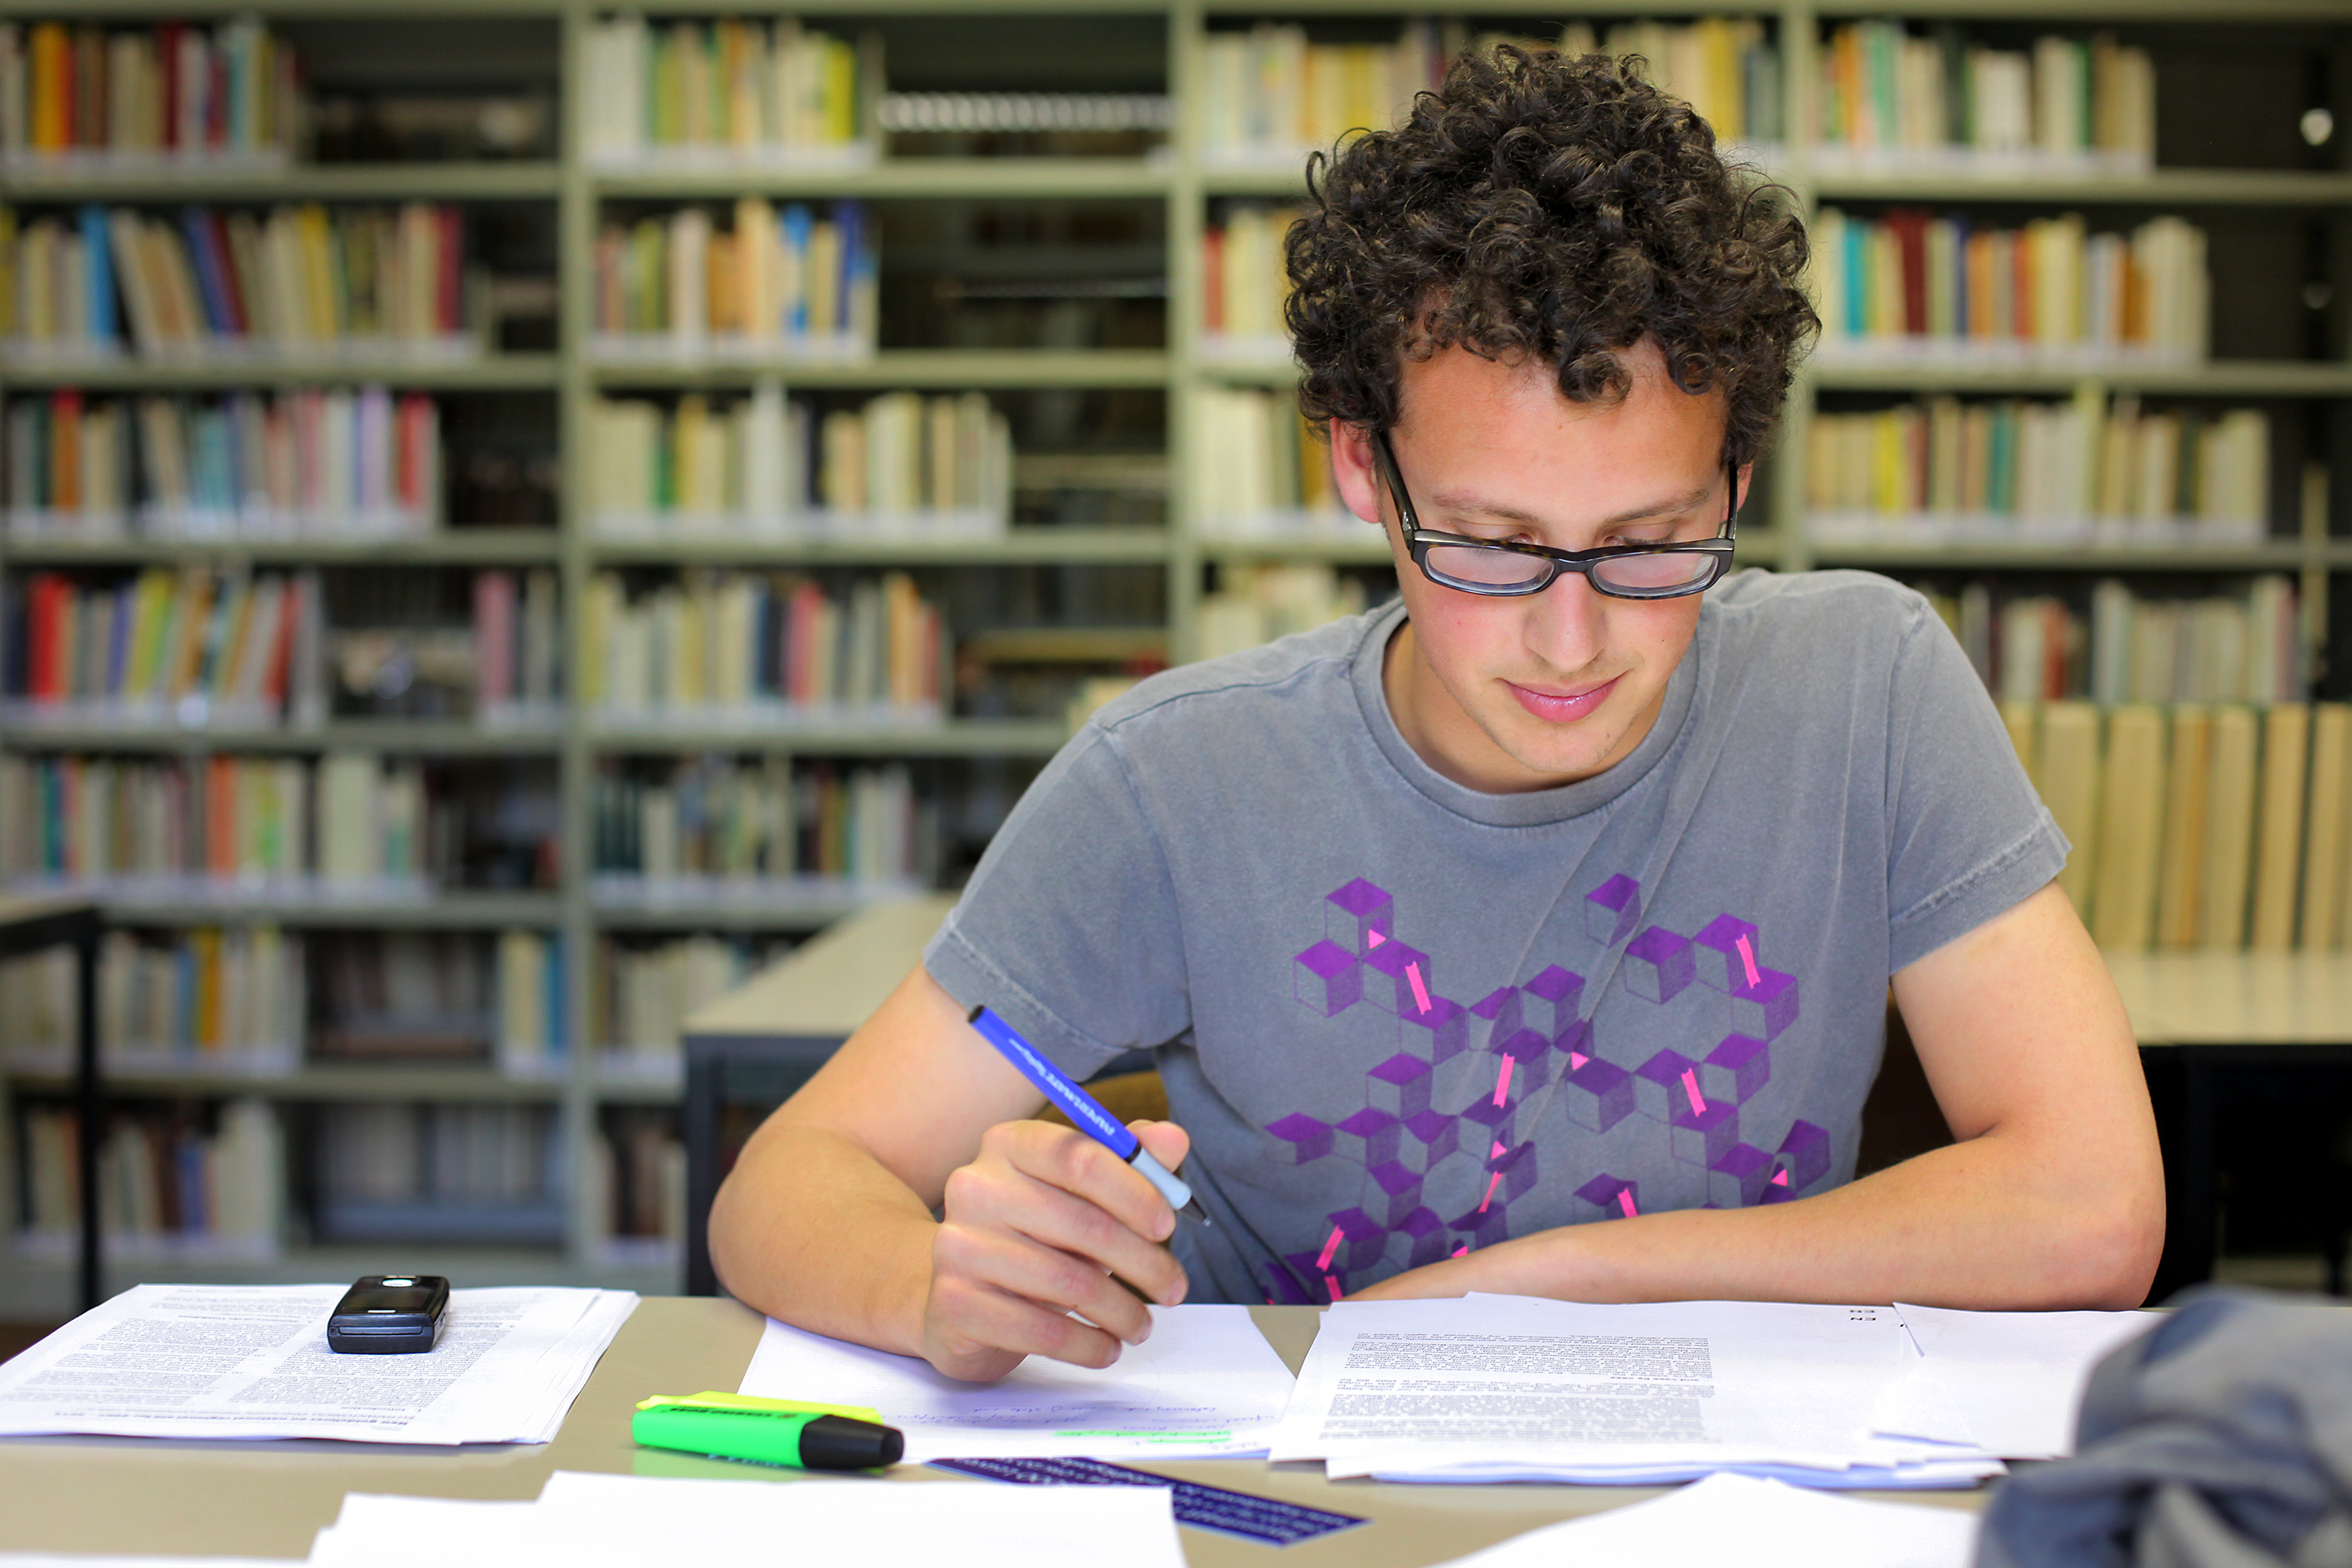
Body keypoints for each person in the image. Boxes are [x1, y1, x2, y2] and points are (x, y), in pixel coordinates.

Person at [709, 46, 2165, 1383]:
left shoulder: (1865, 686)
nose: (1572, 638)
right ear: (1363, 467)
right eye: (1490, 543)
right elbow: (789, 1178)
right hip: (1292, 1503)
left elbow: (2095, 1205)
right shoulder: (1178, 783)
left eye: (1652, 542)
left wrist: (1548, 1284)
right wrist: (936, 1287)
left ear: (1736, 477)